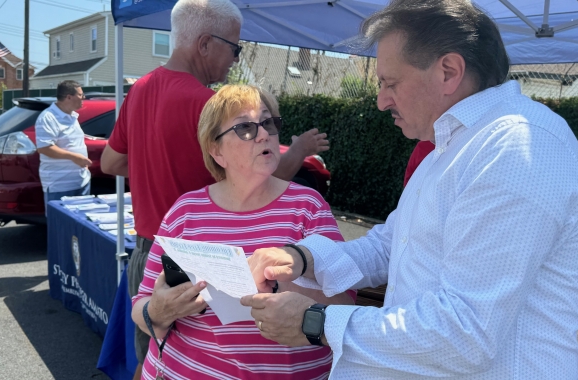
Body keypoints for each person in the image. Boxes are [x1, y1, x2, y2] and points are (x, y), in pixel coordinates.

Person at [242, 0, 578, 379]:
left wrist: (316, 321)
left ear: (448, 71)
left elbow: (464, 333)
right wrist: (302, 258)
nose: (381, 101)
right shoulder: (452, 148)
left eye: (390, 83)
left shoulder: (516, 148)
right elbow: (391, 245)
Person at [100, 0, 330, 376]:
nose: (235, 60)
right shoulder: (212, 108)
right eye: (234, 48)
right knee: (221, 349)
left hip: (148, 250)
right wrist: (300, 149)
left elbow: (110, 163)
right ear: (205, 43)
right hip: (208, 263)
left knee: (153, 352)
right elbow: (262, 178)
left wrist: (152, 161)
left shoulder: (139, 89)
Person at [130, 84, 355, 379]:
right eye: (245, 128)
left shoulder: (308, 207)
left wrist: (281, 286)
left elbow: (346, 302)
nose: (264, 134)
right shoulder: (186, 211)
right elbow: (141, 306)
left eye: (268, 123)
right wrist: (161, 309)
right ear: (216, 150)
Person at [35, 80, 91, 209]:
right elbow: (45, 148)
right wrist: (75, 158)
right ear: (69, 97)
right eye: (81, 95)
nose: (84, 98)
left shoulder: (72, 116)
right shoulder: (48, 117)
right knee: (61, 227)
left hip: (81, 182)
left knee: (80, 226)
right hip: (60, 185)